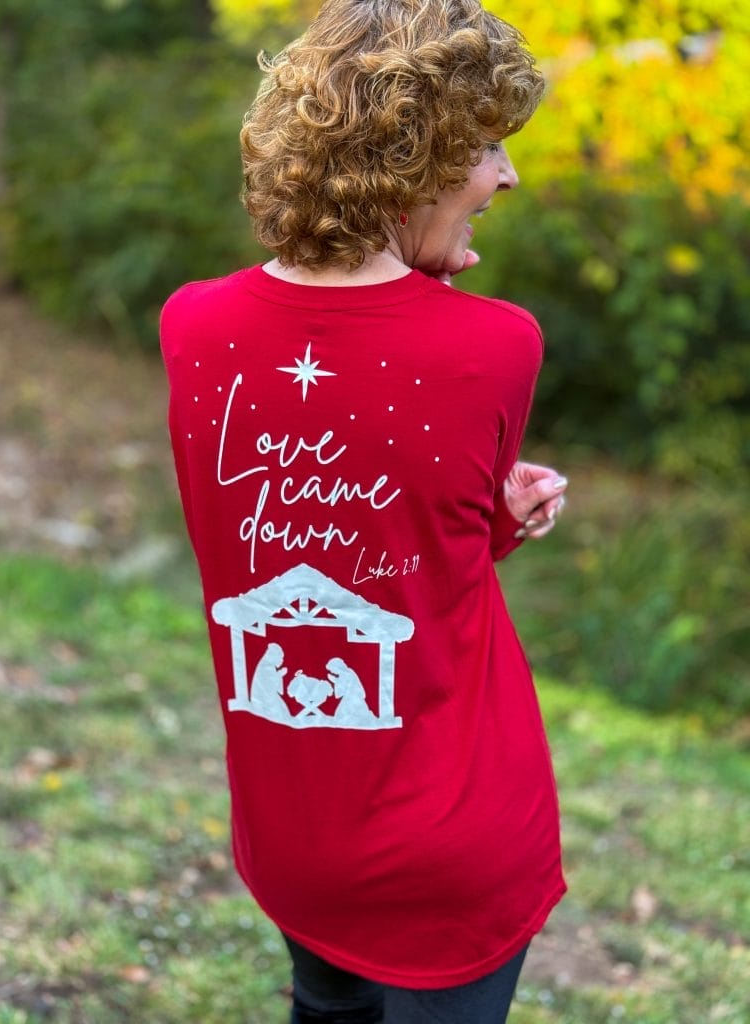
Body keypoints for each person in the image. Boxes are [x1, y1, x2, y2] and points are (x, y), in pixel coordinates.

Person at [160, 1, 568, 1020]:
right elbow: (437, 555)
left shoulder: (192, 327)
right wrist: (505, 522)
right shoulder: (499, 345)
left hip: (294, 839)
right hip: (456, 835)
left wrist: (493, 521)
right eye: (482, 147)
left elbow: (350, 555)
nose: (504, 178)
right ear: (411, 156)